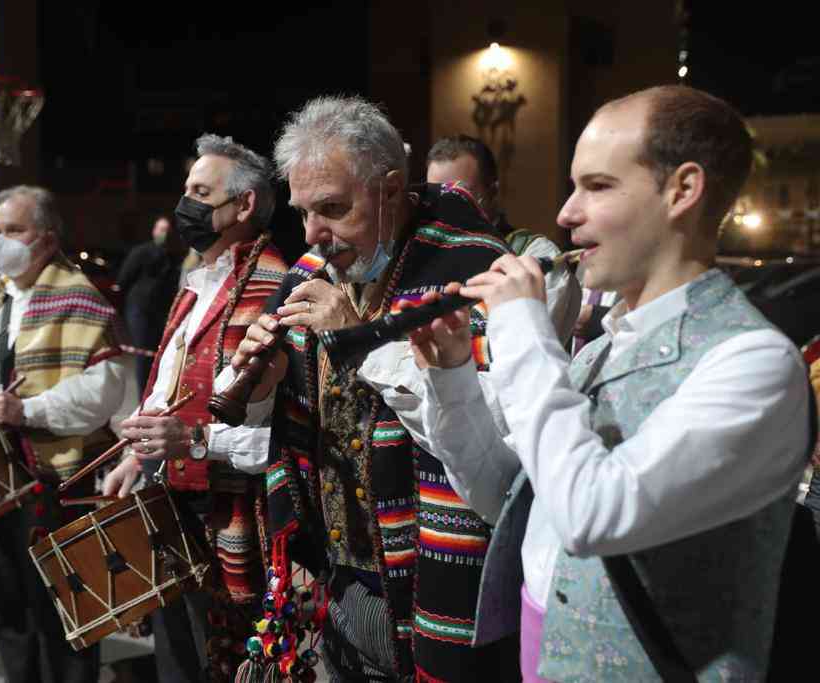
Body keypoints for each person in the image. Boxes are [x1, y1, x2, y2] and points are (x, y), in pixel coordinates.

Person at [412, 85, 811, 681]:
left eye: (597, 186)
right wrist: (451, 377)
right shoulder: (602, 348)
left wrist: (520, 327)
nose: (565, 214)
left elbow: (591, 513)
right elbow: (511, 497)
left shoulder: (754, 363)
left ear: (683, 191)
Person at [229, 96, 520, 681]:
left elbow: (488, 440)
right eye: (304, 212)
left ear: (390, 190)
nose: (314, 234)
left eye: (333, 209)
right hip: (339, 582)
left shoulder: (474, 271)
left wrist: (356, 338)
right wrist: (264, 386)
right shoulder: (311, 271)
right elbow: (273, 428)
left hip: (433, 584)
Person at [101, 134, 287, 682]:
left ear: (244, 204)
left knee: (226, 662)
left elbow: (283, 435)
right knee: (176, 658)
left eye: (201, 193)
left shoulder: (274, 287)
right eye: (187, 190)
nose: (186, 204)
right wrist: (138, 454)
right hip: (174, 500)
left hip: (234, 515)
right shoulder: (198, 280)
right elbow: (169, 382)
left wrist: (191, 440)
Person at [0, 185, 136, 683]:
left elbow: (104, 390)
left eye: (14, 230)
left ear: (46, 238)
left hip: (55, 477)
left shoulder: (80, 298)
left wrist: (27, 410)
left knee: (63, 604)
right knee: (7, 597)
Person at [426, 134, 581, 345]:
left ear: (492, 192)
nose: (447, 210)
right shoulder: (419, 256)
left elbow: (529, 348)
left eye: (461, 195)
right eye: (436, 197)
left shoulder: (534, 255)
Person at [115, 214, 188, 395]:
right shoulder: (142, 252)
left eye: (167, 230)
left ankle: (153, 394)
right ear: (154, 230)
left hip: (161, 311)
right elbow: (124, 278)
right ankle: (143, 397)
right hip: (140, 310)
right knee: (144, 354)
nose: (164, 234)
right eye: (161, 229)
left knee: (158, 354)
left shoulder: (173, 256)